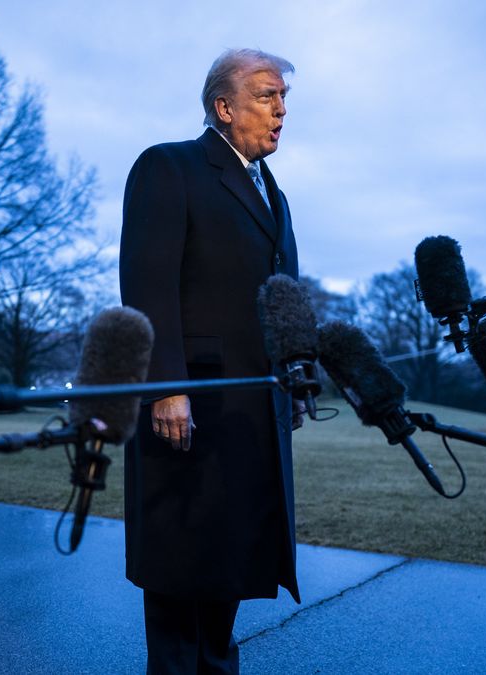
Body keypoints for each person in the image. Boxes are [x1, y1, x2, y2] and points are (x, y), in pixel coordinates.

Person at [119, 48, 303, 673]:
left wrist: (292, 384)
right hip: (187, 412)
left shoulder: (273, 194)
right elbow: (146, 286)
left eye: (283, 100)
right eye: (265, 97)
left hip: (248, 416)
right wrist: (166, 388)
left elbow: (281, 301)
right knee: (179, 585)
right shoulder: (168, 167)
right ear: (224, 107)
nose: (280, 111)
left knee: (223, 578)